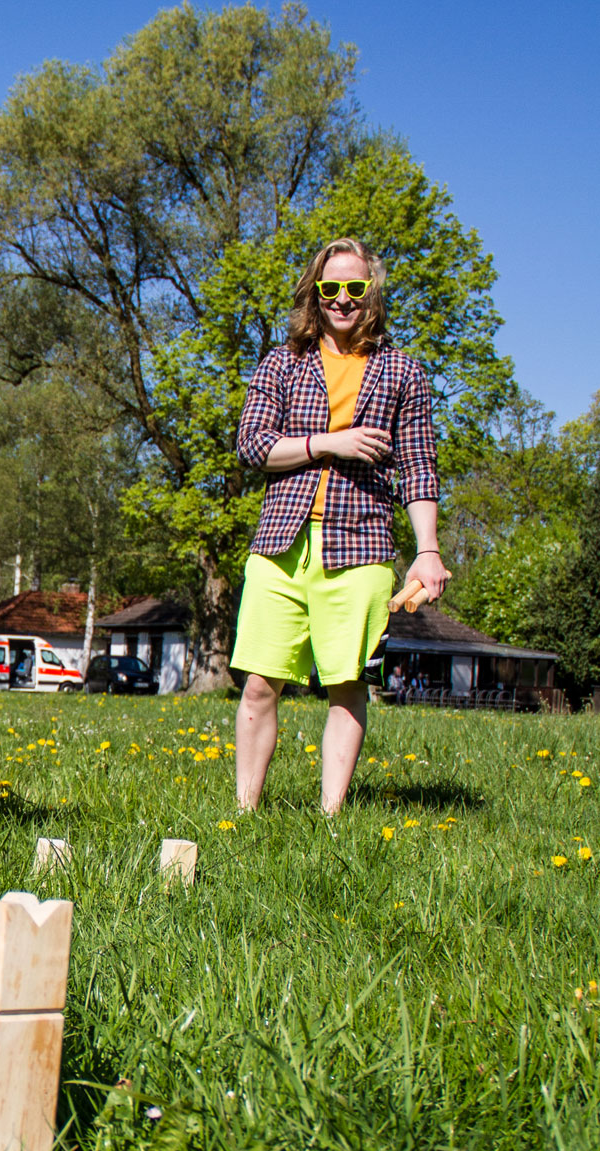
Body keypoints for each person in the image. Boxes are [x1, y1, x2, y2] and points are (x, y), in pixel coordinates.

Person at [231, 237, 449, 814]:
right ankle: (244, 812)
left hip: (362, 546)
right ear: (315, 293)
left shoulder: (402, 372)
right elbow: (252, 445)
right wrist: (330, 443)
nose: (343, 300)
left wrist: (427, 550)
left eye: (355, 289)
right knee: (258, 685)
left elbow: (420, 469)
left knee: (347, 685)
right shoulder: (282, 362)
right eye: (331, 289)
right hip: (280, 542)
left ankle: (330, 819)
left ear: (371, 294)